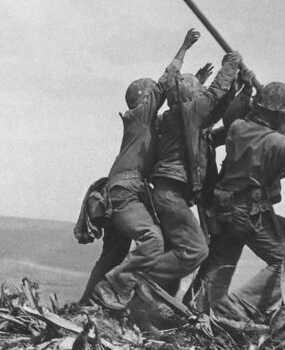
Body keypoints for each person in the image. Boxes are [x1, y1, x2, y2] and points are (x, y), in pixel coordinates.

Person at [194, 82, 285, 320]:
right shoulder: (277, 143)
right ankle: (242, 306)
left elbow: (270, 163)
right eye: (284, 115)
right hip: (247, 212)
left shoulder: (238, 128)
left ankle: (201, 306)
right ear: (277, 114)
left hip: (225, 208)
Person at [83, 29, 201, 308]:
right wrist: (184, 48)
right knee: (153, 240)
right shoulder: (139, 116)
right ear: (144, 99)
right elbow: (165, 84)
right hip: (125, 192)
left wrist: (196, 85)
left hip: (118, 193)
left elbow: (178, 107)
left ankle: (87, 305)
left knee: (113, 254)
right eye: (152, 97)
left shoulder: (144, 125)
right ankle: (113, 290)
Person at [142, 50, 245, 295]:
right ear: (191, 96)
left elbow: (217, 110)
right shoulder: (187, 112)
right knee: (196, 251)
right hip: (170, 195)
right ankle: (134, 277)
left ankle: (150, 300)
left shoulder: (180, 118)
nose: (203, 95)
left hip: (169, 194)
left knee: (178, 253)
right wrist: (230, 65)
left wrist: (239, 89)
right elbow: (215, 94)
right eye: (199, 92)